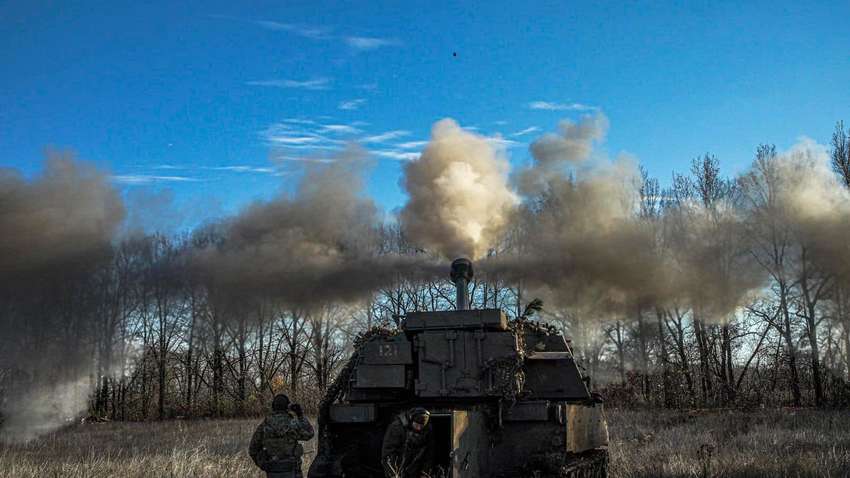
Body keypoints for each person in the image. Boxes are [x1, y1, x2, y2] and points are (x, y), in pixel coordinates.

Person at [249, 393, 315, 478]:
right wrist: (300, 415)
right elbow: (309, 433)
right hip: (292, 470)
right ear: (288, 407)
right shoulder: (293, 424)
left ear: (273, 407)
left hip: (273, 470)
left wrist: (264, 464)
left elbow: (253, 449)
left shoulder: (265, 425)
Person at [381, 407, 435, 478]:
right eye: (417, 425)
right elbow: (388, 453)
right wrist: (393, 474)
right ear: (411, 420)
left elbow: (429, 454)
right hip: (397, 468)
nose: (419, 428)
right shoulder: (397, 428)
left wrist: (425, 473)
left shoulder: (427, 431)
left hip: (414, 470)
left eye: (421, 426)